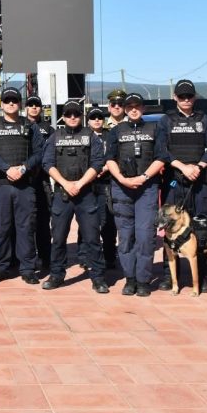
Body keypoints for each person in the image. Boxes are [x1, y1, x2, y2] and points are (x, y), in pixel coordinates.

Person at [157, 79, 207, 292]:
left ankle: (201, 277)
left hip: (199, 179)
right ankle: (169, 277)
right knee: (169, 227)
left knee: (200, 227)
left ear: (194, 97)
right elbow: (161, 150)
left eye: (189, 96)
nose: (186, 100)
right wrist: (183, 167)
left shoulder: (204, 120)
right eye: (181, 96)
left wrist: (199, 167)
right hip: (175, 179)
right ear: (175, 97)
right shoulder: (166, 120)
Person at [42, 100, 108, 293]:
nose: (72, 117)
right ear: (63, 116)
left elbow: (97, 164)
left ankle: (98, 278)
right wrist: (65, 183)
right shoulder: (55, 137)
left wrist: (79, 184)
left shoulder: (91, 137)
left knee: (92, 237)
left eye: (76, 114)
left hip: (85, 193)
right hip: (62, 194)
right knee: (59, 238)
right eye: (69, 114)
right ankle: (56, 275)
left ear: (81, 116)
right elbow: (48, 163)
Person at [105, 93, 168, 297]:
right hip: (122, 187)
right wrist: (123, 179)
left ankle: (143, 280)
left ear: (143, 108)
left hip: (146, 188)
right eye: (129, 106)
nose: (133, 109)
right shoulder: (115, 131)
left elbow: (161, 157)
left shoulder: (154, 129)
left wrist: (143, 177)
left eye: (137, 106)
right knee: (125, 238)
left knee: (144, 237)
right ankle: (129, 279)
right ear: (123, 108)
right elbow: (110, 159)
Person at [0, 86, 44, 284]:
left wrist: (24, 168)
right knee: (2, 228)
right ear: (2, 103)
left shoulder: (30, 126)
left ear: (20, 104)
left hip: (25, 186)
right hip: (1, 185)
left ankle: (27, 268)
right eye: (7, 100)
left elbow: (39, 153)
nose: (11, 103)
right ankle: (0, 267)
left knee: (26, 227)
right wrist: (6, 168)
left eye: (14, 100)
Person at [86, 105, 118, 269]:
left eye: (100, 117)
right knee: (88, 222)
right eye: (93, 117)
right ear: (88, 120)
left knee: (108, 222)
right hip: (88, 184)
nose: (97, 120)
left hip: (107, 183)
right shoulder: (84, 135)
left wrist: (104, 167)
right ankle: (86, 257)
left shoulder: (110, 135)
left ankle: (110, 256)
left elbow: (115, 154)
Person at [25, 94, 53, 271]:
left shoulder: (48, 129)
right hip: (25, 178)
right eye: (31, 104)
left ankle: (45, 256)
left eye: (37, 105)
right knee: (24, 222)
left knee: (43, 221)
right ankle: (21, 257)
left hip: (42, 180)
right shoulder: (21, 125)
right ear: (25, 107)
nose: (34, 107)